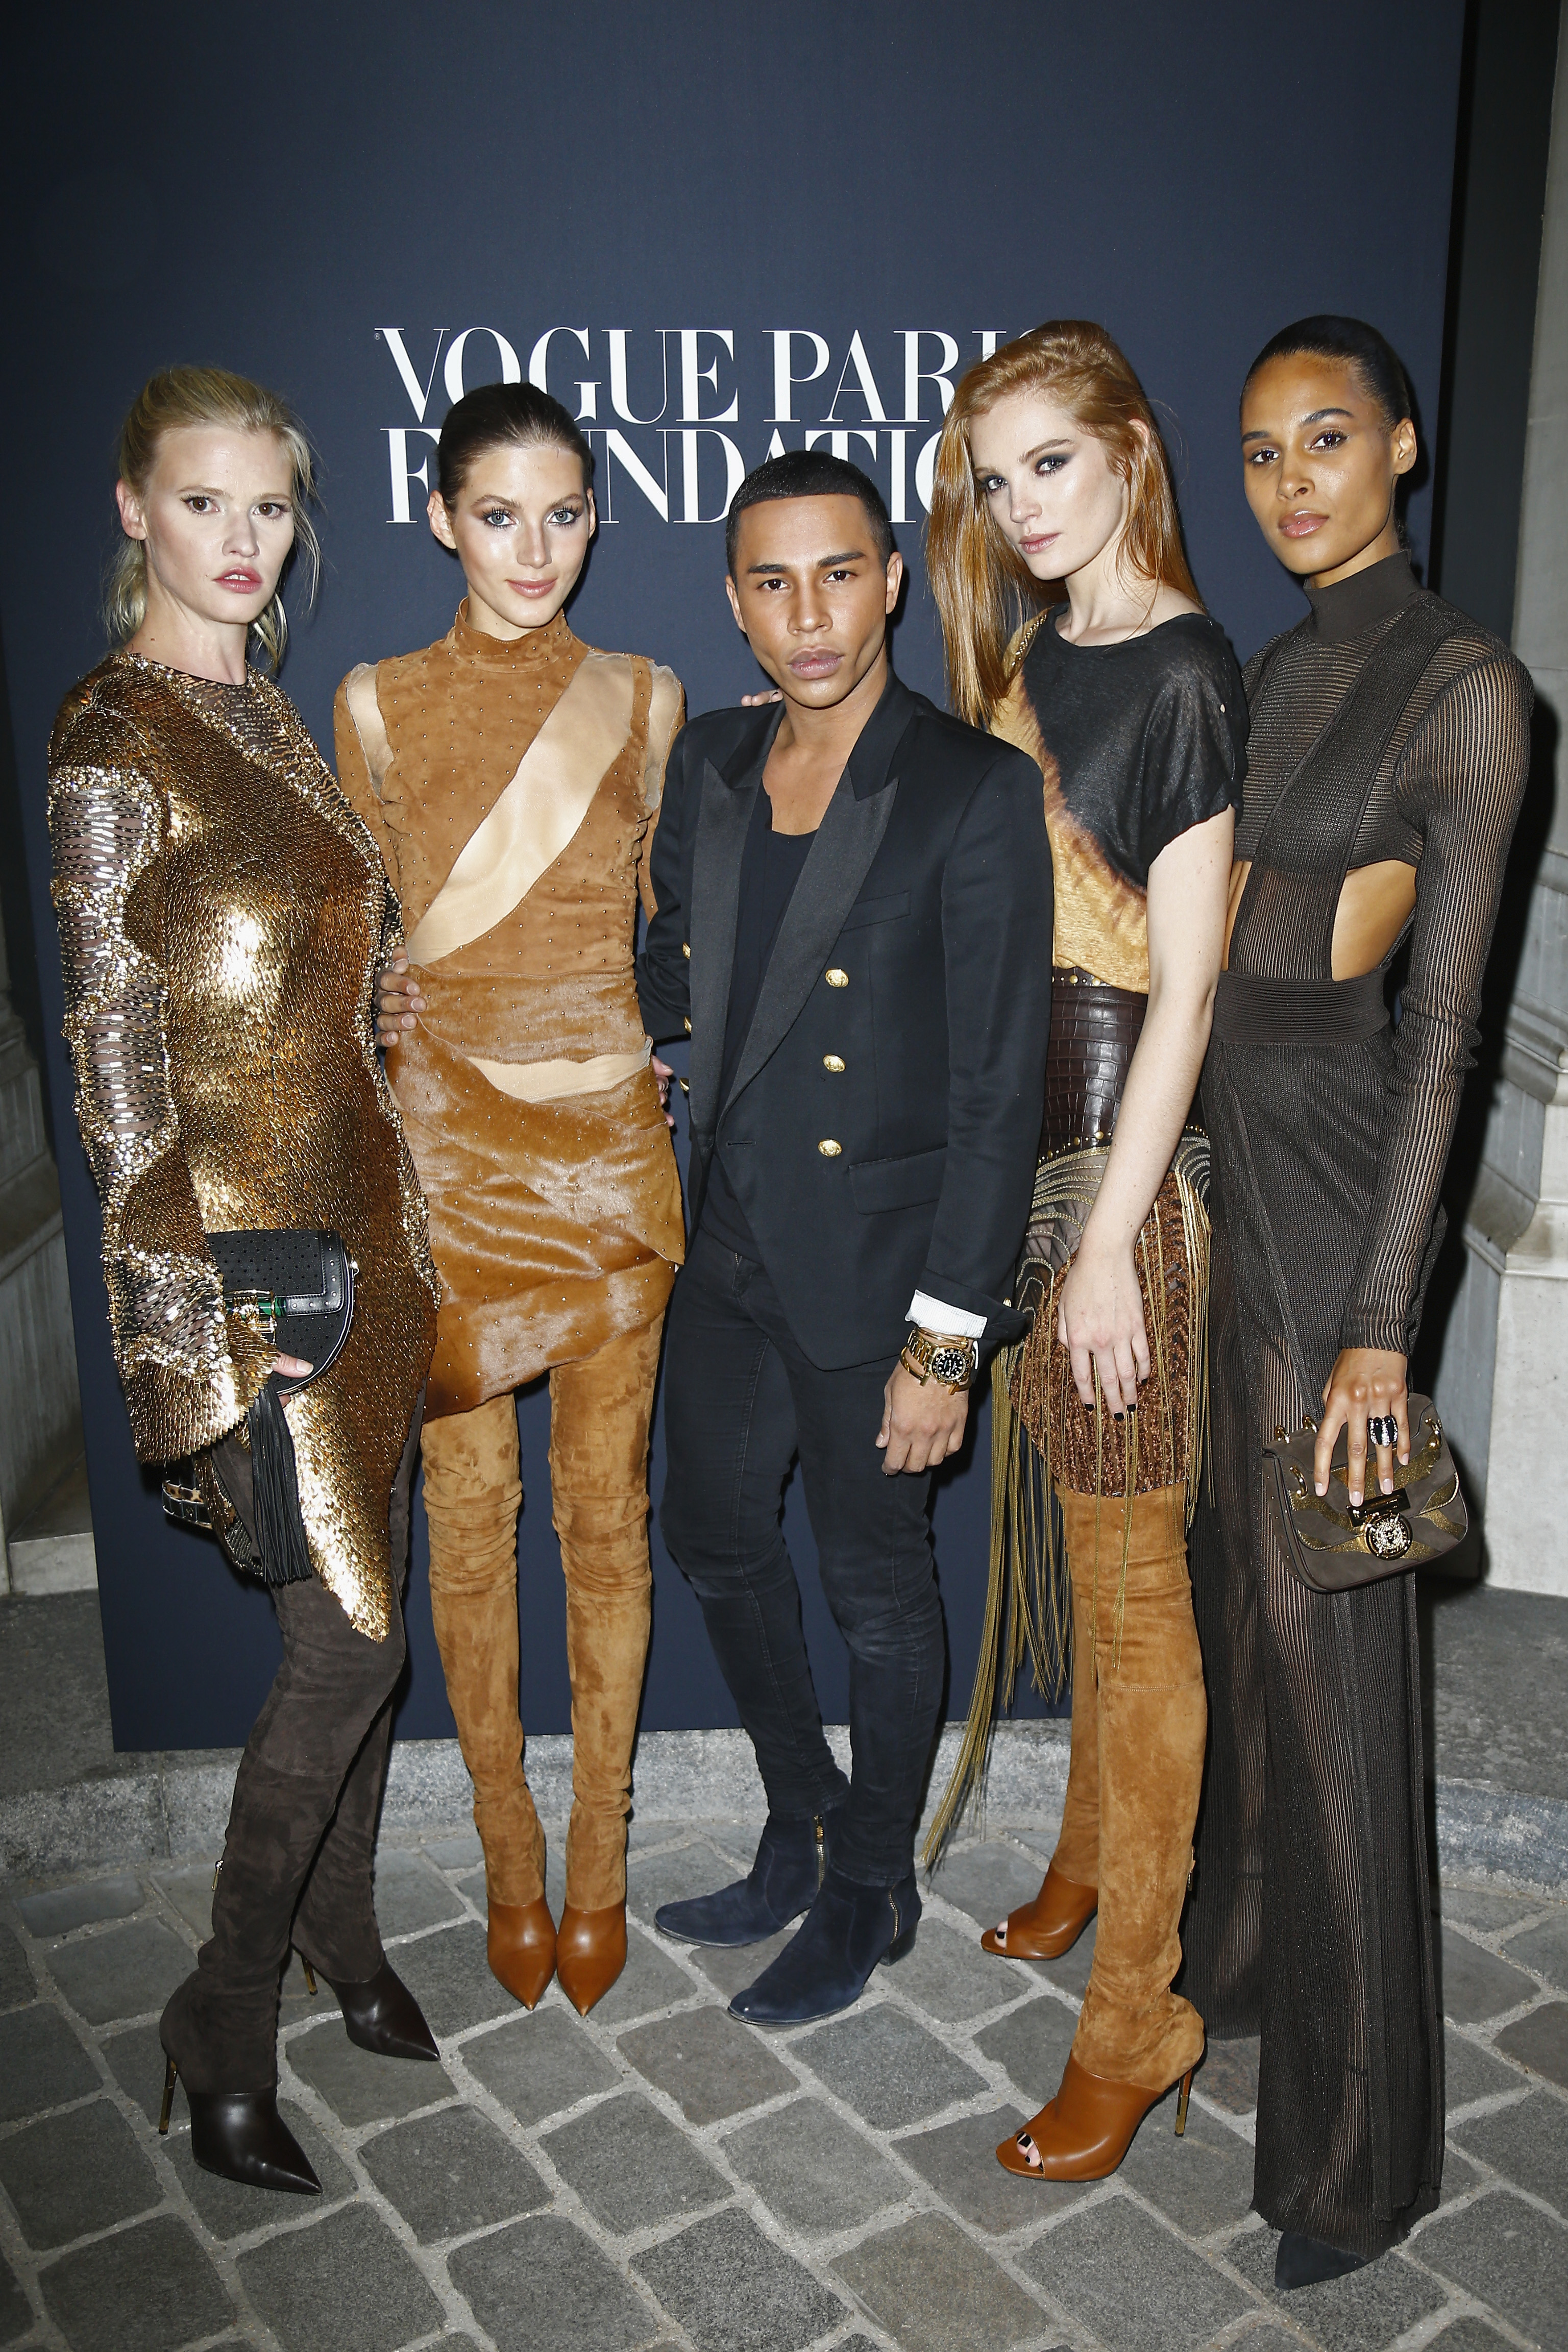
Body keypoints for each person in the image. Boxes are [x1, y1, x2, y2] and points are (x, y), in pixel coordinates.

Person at [48, 367, 440, 2194]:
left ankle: (343, 1935)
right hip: (254, 1269)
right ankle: (224, 2008)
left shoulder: (267, 714)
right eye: (205, 503)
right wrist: (208, 1315)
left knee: (368, 1640)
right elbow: (117, 1065)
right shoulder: (111, 737)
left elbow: (299, 983)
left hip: (370, 1243)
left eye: (271, 507)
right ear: (136, 507)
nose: (242, 539)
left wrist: (377, 1009)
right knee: (348, 1643)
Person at [1183, 316, 1531, 2287]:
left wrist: (1384, 1331)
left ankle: (1359, 2158)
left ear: (1401, 444)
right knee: (1245, 1639)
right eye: (1260, 452)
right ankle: (1242, 1970)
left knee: (1335, 1693)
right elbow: (1237, 947)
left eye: (1327, 438)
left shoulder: (1464, 690)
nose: (1292, 480)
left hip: (1338, 1239)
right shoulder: (1265, 672)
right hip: (1232, 1209)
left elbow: (1442, 1038)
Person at [638, 449, 1051, 2025]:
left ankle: (875, 1883)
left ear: (890, 581)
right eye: (771, 581)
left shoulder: (968, 788)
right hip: (732, 1244)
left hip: (883, 1273)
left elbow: (998, 1090)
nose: (807, 615)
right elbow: (679, 975)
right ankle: (802, 1816)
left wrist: (947, 1346)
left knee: (876, 1588)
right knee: (714, 1535)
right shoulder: (711, 762)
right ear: (735, 603)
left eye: (836, 574)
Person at [924, 322, 1246, 2180]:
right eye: (996, 478)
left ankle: (1141, 2016)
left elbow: (1187, 987)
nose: (1022, 504)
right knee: (1087, 1547)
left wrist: (1115, 1241)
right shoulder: (1037, 654)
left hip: (1129, 1184)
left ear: (1130, 450)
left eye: (1051, 461)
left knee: (1133, 1598)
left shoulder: (1186, 666)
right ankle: (1084, 1859)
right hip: (1036, 1166)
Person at [336, 382, 684, 2018]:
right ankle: (506, 1854)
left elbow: (663, 918)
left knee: (606, 1525)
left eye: (563, 515)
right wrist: (379, 1002)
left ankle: (600, 1852)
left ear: (596, 517)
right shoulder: (375, 703)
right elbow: (348, 940)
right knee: (469, 1535)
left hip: (609, 1162)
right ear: (441, 521)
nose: (534, 550)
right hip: (449, 1167)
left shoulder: (647, 697)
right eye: (498, 516)